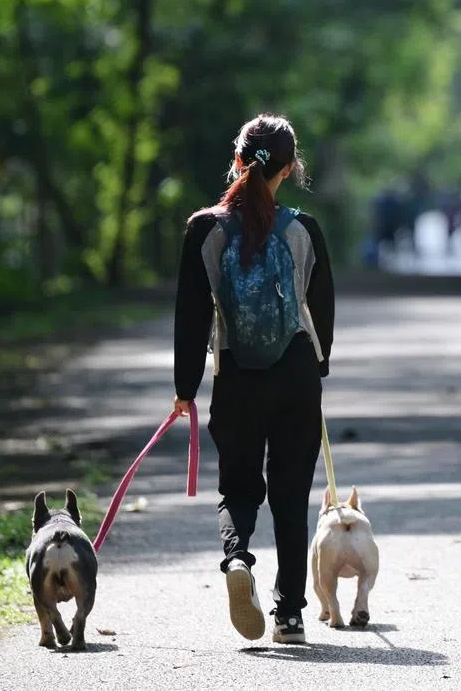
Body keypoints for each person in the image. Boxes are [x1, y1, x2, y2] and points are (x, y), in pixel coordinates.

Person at [172, 114, 335, 645]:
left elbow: (191, 317)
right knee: (291, 493)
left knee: (239, 488)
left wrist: (184, 387)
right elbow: (323, 310)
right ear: (289, 167)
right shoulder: (304, 229)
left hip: (237, 375)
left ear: (239, 159)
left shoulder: (204, 230)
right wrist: (320, 365)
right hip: (295, 372)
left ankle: (237, 559)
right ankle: (288, 614)